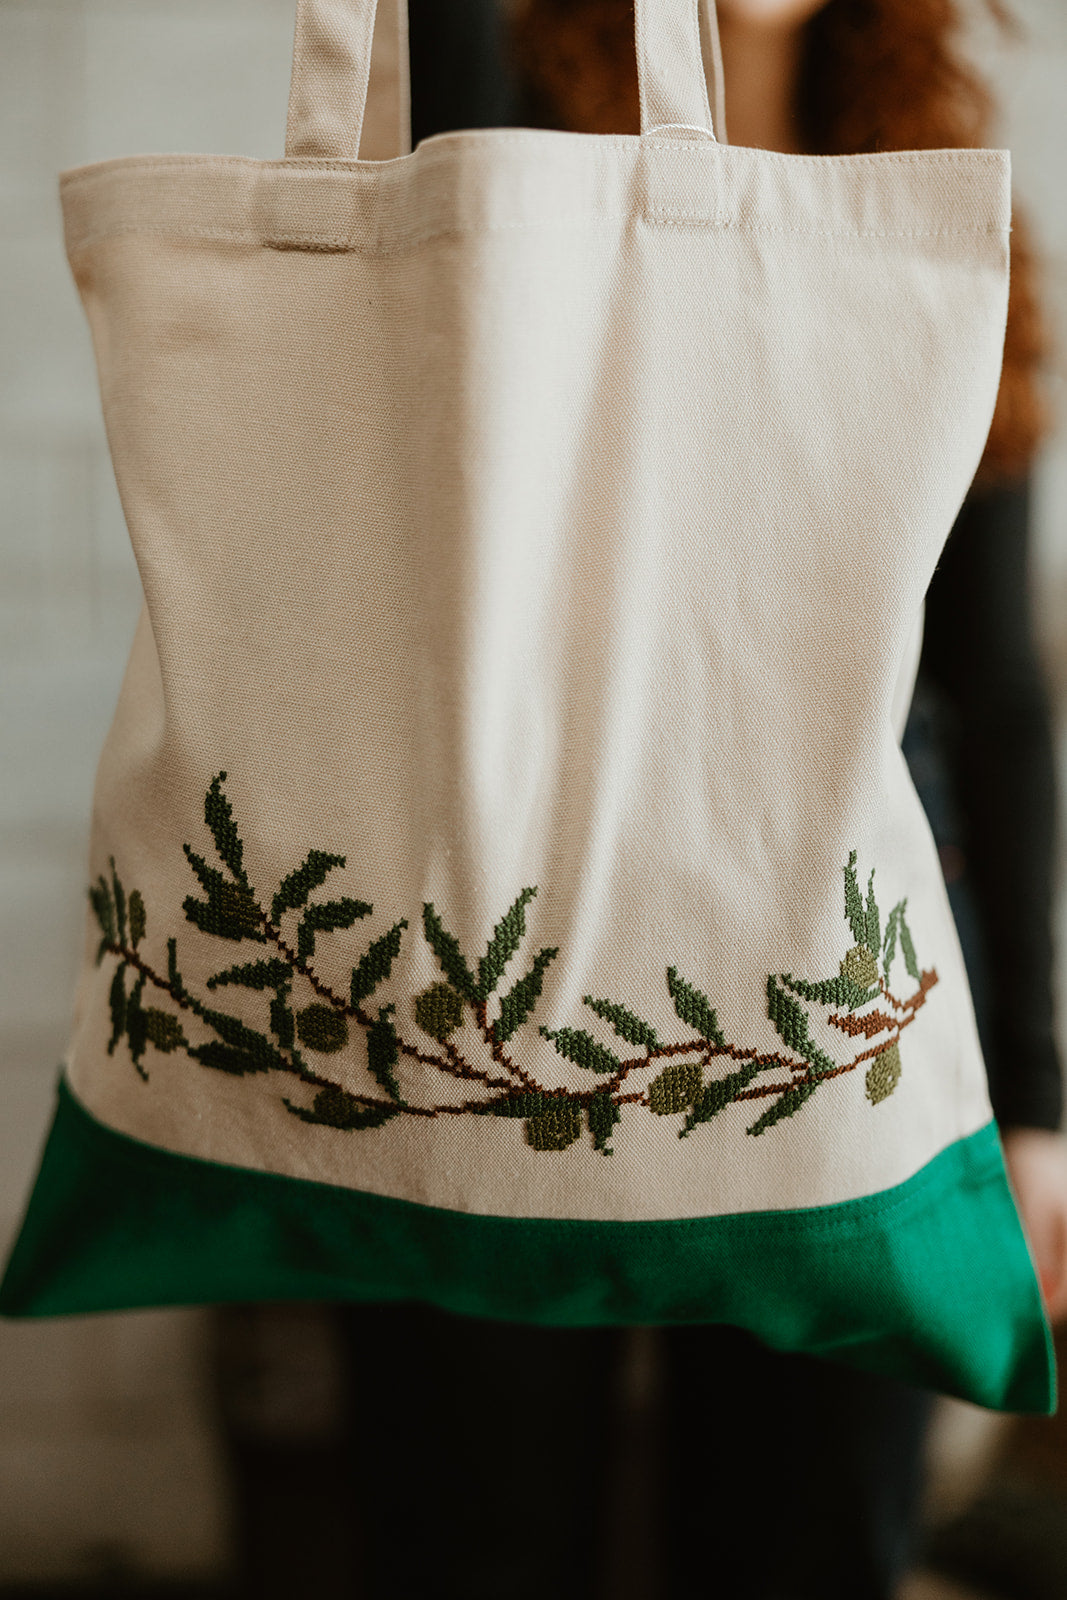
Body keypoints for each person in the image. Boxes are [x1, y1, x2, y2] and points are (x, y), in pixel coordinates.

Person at [216, 4, 1067, 1596]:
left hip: (848, 1006)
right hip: (487, 963)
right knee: (472, 1532)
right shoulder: (488, 80)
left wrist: (1033, 1101)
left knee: (809, 1538)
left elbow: (995, 696)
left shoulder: (940, 181)